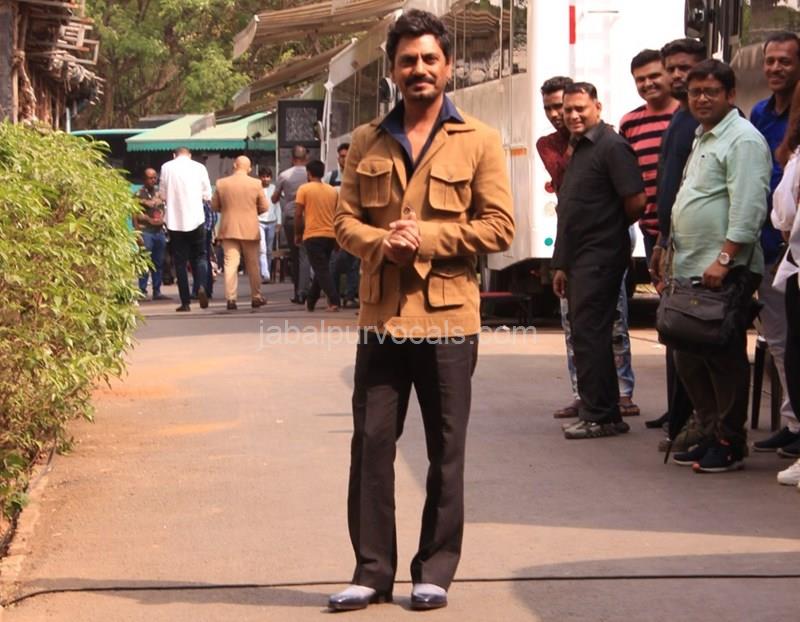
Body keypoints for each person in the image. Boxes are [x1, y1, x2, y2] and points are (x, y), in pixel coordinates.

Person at [330, 9, 514, 611]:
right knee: (371, 446)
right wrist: (383, 242)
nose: (419, 69)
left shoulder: (479, 140)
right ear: (392, 70)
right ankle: (372, 571)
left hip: (448, 321)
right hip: (382, 319)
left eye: (430, 58)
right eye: (407, 60)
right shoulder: (366, 140)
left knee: (445, 450)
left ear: (448, 66)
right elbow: (344, 221)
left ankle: (434, 570)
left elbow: (500, 226)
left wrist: (427, 238)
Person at [668, 59, 771, 473]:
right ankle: (709, 433)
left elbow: (749, 206)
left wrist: (725, 258)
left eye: (711, 91)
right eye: (695, 92)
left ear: (730, 95)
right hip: (691, 266)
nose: (702, 99)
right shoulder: (703, 136)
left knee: (723, 358)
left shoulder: (743, 139)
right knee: (689, 355)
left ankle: (729, 442)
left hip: (724, 269)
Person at [535, 76, 638, 420]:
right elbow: (569, 202)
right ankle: (591, 402)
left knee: (604, 328)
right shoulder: (565, 146)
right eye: (561, 110)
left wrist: (609, 227)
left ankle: (610, 405)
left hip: (602, 249)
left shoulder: (609, 144)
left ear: (597, 107)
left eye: (576, 108)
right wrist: (561, 262)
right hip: (575, 247)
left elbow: (635, 200)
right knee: (581, 330)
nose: (566, 116)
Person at [647, 38, 706, 437]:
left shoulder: (707, 122)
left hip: (698, 248)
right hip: (671, 241)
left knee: (692, 335)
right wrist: (660, 240)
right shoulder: (678, 118)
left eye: (686, 67)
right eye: (672, 68)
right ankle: (677, 412)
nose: (678, 75)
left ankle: (694, 420)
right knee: (673, 331)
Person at [749, 32, 800, 457]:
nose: (775, 68)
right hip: (769, 246)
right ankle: (792, 421)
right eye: (770, 61)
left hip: (794, 247)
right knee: (781, 343)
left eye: (785, 61)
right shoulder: (760, 113)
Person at [619, 49, 679, 262]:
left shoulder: (686, 115)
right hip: (650, 230)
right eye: (640, 79)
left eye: (654, 76)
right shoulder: (629, 123)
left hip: (685, 230)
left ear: (669, 75)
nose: (647, 83)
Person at [772, 85, 800, 485]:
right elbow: (783, 213)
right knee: (794, 357)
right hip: (795, 266)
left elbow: (785, 214)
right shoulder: (794, 155)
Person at [211, 155, 268, 310]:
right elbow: (264, 206)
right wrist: (252, 213)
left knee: (230, 264)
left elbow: (214, 206)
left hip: (229, 228)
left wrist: (226, 210)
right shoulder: (256, 183)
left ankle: (231, 299)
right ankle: (256, 297)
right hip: (250, 229)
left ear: (234, 165)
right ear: (249, 169)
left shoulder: (221, 183)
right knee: (253, 264)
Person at [159, 146, 212, 312]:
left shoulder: (166, 167)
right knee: (201, 256)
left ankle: (185, 302)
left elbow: (162, 195)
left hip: (175, 222)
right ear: (189, 155)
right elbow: (207, 195)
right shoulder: (200, 168)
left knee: (180, 262)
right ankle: (201, 286)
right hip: (197, 219)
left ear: (174, 155)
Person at [295, 159, 340, 311]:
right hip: (330, 235)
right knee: (322, 268)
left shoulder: (304, 189)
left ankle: (334, 300)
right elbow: (337, 215)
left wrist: (297, 233)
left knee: (321, 270)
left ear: (308, 173)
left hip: (313, 235)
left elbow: (298, 214)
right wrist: (337, 238)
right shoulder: (332, 191)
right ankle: (311, 301)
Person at [273, 146, 311, 304]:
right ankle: (304, 291)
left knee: (295, 255)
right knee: (305, 254)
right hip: (308, 216)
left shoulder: (284, 175)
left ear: (292, 158)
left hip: (290, 217)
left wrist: (285, 195)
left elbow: (274, 198)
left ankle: (298, 292)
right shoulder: (310, 173)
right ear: (306, 158)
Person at [327, 143, 361, 308]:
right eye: (342, 156)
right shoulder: (330, 177)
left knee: (354, 263)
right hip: (335, 226)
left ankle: (350, 296)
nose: (344, 160)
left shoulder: (359, 176)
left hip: (355, 225)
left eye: (347, 156)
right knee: (334, 263)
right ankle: (334, 298)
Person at [134, 168, 169, 300]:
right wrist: (137, 233)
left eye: (155, 177)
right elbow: (134, 215)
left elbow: (163, 209)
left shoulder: (159, 194)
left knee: (158, 262)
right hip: (145, 232)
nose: (153, 180)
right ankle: (142, 290)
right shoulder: (138, 195)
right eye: (150, 178)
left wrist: (162, 219)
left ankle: (157, 290)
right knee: (144, 262)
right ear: (144, 179)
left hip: (159, 232)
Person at [257, 167, 281, 283]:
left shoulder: (274, 189)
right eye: (263, 176)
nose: (265, 179)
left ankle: (267, 271)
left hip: (272, 222)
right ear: (260, 177)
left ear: (270, 178)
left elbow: (277, 206)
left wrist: (279, 222)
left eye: (267, 177)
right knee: (262, 249)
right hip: (259, 221)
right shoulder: (256, 189)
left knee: (269, 250)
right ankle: (265, 274)